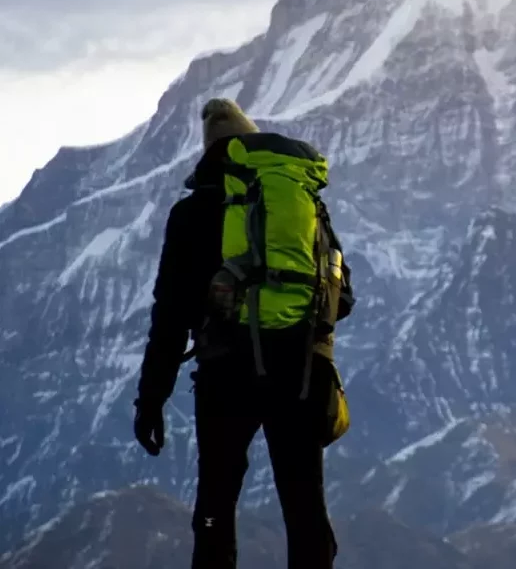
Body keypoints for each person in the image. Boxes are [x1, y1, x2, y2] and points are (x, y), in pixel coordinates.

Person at [132, 98, 354, 568]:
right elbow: (343, 296)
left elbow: (170, 314)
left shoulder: (191, 214)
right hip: (300, 371)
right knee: (304, 509)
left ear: (208, 151)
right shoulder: (303, 202)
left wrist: (151, 398)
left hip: (226, 375)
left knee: (216, 506)